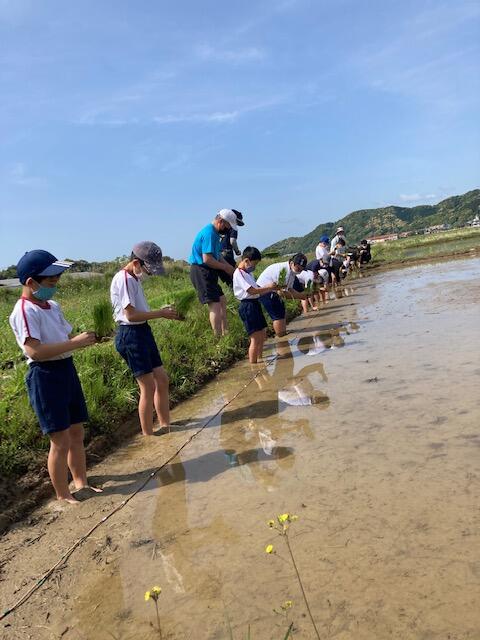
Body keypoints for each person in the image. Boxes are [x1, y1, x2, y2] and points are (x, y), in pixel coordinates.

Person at [9, 250, 101, 504]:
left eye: (57, 279)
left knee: (76, 432)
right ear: (31, 282)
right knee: (59, 439)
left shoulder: (53, 306)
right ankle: (62, 493)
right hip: (45, 376)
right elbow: (34, 351)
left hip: (66, 370)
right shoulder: (25, 311)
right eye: (51, 281)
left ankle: (81, 481)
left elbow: (65, 338)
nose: (55, 285)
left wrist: (86, 339)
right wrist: (75, 343)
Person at [110, 242, 181, 436]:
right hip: (130, 335)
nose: (148, 274)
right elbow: (131, 315)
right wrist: (160, 313)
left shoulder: (134, 278)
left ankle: (165, 425)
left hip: (142, 331)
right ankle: (148, 435)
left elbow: (139, 312)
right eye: (148, 270)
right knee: (148, 386)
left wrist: (161, 312)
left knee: (162, 380)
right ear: (136, 263)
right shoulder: (124, 279)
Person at [189, 210, 237, 336]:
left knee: (222, 300)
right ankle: (218, 339)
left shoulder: (215, 234)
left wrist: (229, 267)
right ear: (220, 221)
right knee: (215, 304)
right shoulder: (209, 233)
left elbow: (217, 256)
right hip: (201, 270)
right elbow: (207, 259)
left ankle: (225, 332)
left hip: (208, 270)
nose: (227, 230)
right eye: (227, 226)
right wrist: (225, 268)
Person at [232, 246, 280, 363]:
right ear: (246, 260)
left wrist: (272, 289)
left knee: (262, 334)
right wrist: (269, 287)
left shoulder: (248, 274)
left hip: (254, 304)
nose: (255, 267)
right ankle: (253, 364)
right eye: (255, 264)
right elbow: (252, 291)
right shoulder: (239, 273)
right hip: (247, 306)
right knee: (255, 337)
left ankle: (260, 358)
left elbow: (257, 289)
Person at [257, 253, 310, 337]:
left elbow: (289, 289)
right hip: (265, 291)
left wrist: (300, 295)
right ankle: (281, 337)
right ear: (292, 263)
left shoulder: (292, 272)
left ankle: (282, 333)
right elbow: (281, 293)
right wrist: (300, 296)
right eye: (298, 268)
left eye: (301, 269)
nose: (299, 271)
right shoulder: (284, 271)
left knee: (281, 310)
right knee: (277, 313)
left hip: (272, 290)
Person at [218, 209, 244, 288]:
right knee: (235, 274)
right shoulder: (233, 228)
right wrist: (237, 251)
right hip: (227, 253)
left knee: (225, 275)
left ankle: (231, 289)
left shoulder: (220, 227)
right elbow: (232, 241)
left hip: (218, 254)